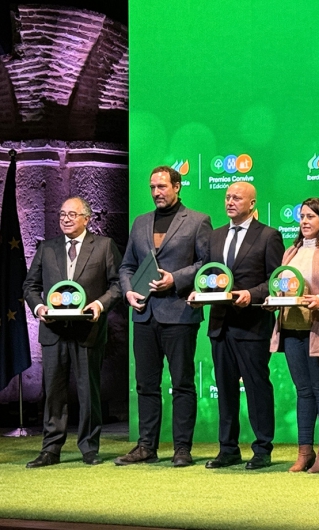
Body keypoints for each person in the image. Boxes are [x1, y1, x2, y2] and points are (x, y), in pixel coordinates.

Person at [117, 166, 211, 467]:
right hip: (144, 314)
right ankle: (146, 446)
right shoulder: (141, 222)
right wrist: (129, 292)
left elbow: (206, 264)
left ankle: (182, 448)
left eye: (162, 186)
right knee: (146, 384)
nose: (157, 192)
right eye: (153, 187)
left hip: (179, 313)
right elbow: (126, 266)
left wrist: (175, 279)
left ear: (177, 187)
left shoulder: (198, 221)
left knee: (182, 383)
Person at [22, 197, 122, 467]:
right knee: (53, 392)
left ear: (86, 219)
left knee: (89, 391)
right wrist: (39, 307)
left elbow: (117, 285)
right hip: (53, 332)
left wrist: (100, 304)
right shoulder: (47, 248)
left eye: (72, 215)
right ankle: (50, 449)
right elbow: (30, 286)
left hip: (87, 329)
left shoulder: (104, 246)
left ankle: (89, 447)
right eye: (62, 214)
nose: (65, 219)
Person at [193, 182, 283, 470]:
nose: (230, 202)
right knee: (225, 389)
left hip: (252, 325)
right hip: (220, 324)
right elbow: (209, 276)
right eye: (227, 197)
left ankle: (262, 448)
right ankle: (228, 448)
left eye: (237, 198)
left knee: (257, 387)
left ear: (253, 203)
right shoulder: (216, 236)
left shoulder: (269, 236)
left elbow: (274, 280)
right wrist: (198, 295)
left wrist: (251, 295)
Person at [270, 197, 319, 474]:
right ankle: (304, 452)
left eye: (310, 216)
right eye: (301, 216)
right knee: (303, 391)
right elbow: (282, 286)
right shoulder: (291, 252)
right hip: (291, 328)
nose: (303, 221)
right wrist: (274, 298)